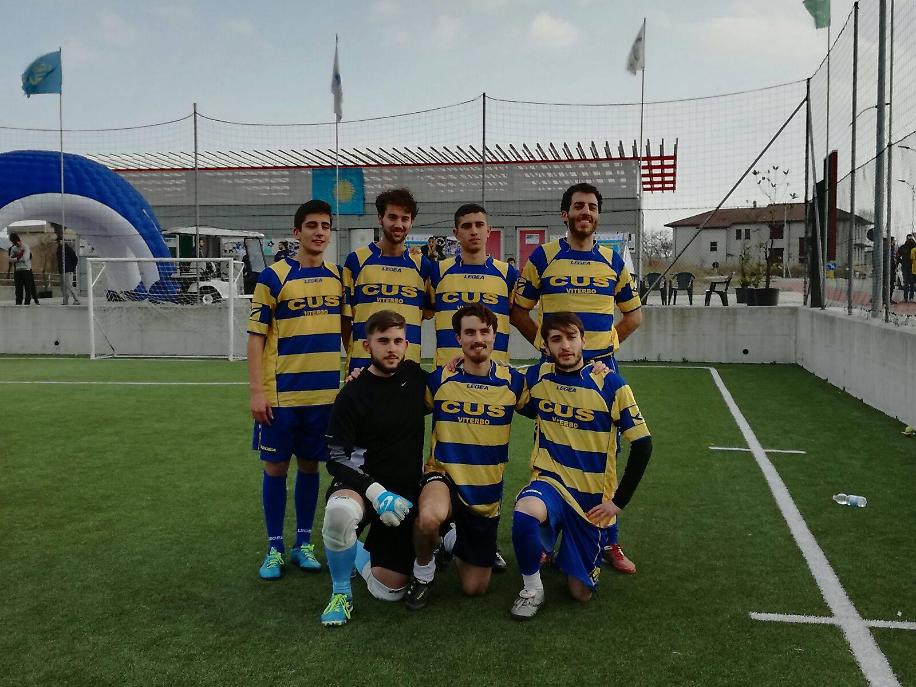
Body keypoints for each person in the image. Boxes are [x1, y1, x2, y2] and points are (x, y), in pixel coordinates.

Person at [510, 182, 643, 574]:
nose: (586, 212)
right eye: (579, 206)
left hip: (601, 373)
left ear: (598, 215)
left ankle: (608, 539)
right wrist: (546, 347)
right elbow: (519, 310)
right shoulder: (543, 256)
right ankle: (546, 536)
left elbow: (634, 315)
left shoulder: (613, 261)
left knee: (606, 457)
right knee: (553, 448)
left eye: (592, 207)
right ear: (564, 214)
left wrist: (605, 347)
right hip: (556, 373)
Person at [510, 312, 652, 620]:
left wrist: (618, 502)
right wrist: (459, 363)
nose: (565, 346)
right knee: (524, 513)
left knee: (580, 594)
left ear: (583, 341)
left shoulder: (611, 384)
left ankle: (566, 552)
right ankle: (532, 589)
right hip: (550, 482)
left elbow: (643, 444)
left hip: (590, 502)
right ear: (545, 347)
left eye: (571, 337)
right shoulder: (537, 376)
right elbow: (496, 376)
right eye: (556, 339)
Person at [403, 303, 527, 610]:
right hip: (442, 476)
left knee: (474, 588)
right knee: (429, 517)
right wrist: (360, 376)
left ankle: (449, 537)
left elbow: (553, 397)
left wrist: (593, 371)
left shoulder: (513, 382)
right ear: (458, 338)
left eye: (484, 332)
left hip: (484, 493)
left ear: (495, 335)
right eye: (469, 332)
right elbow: (395, 396)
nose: (478, 339)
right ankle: (423, 573)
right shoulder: (440, 379)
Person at [247, 199, 343, 580]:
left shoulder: (338, 278)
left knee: (309, 466)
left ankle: (303, 543)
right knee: (275, 467)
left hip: (323, 396)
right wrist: (257, 391)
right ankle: (274, 547)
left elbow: (348, 331)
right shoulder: (273, 278)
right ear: (296, 232)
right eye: (312, 225)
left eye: (325, 226)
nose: (319, 232)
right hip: (281, 396)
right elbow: (256, 338)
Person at [319, 310, 429, 626]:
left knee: (389, 591)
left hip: (402, 495)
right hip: (361, 485)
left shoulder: (415, 377)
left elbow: (452, 381)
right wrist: (376, 493)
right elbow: (336, 459)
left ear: (406, 344)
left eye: (397, 341)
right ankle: (341, 593)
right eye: (383, 341)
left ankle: (357, 552)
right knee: (340, 513)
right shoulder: (352, 393)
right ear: (367, 346)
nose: (391, 348)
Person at [341, 188, 433, 373]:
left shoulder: (422, 265)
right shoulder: (356, 261)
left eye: (405, 219)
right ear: (380, 218)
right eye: (392, 217)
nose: (399, 224)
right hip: (362, 368)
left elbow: (425, 313)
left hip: (407, 369)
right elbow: (345, 319)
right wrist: (357, 352)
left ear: (412, 222)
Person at [429, 204, 519, 368]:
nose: (474, 231)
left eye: (479, 225)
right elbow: (423, 312)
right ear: (456, 233)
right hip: (447, 373)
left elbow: (520, 315)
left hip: (495, 373)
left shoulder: (508, 274)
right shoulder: (438, 271)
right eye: (466, 226)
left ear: (488, 230)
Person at [9, 233, 39, 305]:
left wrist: (16, 258)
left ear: (19, 241)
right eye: (15, 244)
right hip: (18, 270)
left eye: (17, 243)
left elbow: (25, 258)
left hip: (26, 270)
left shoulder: (25, 247)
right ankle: (18, 302)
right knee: (18, 288)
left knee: (28, 287)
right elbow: (10, 259)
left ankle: (27, 302)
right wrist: (19, 257)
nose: (17, 245)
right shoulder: (13, 248)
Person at [56, 237, 80, 305]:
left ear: (63, 241)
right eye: (58, 241)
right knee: (63, 287)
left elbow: (75, 259)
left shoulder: (68, 249)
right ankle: (65, 301)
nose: (59, 242)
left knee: (68, 285)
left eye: (60, 240)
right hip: (62, 270)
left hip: (68, 270)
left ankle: (77, 299)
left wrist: (71, 267)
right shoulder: (59, 249)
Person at [897, 233, 915, 303]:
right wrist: (901, 262)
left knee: (912, 283)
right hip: (905, 267)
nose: (910, 239)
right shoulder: (903, 247)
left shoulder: (914, 246)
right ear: (906, 238)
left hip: (913, 267)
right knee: (906, 283)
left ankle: (911, 298)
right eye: (909, 238)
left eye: (911, 238)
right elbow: (897, 255)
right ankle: (905, 298)